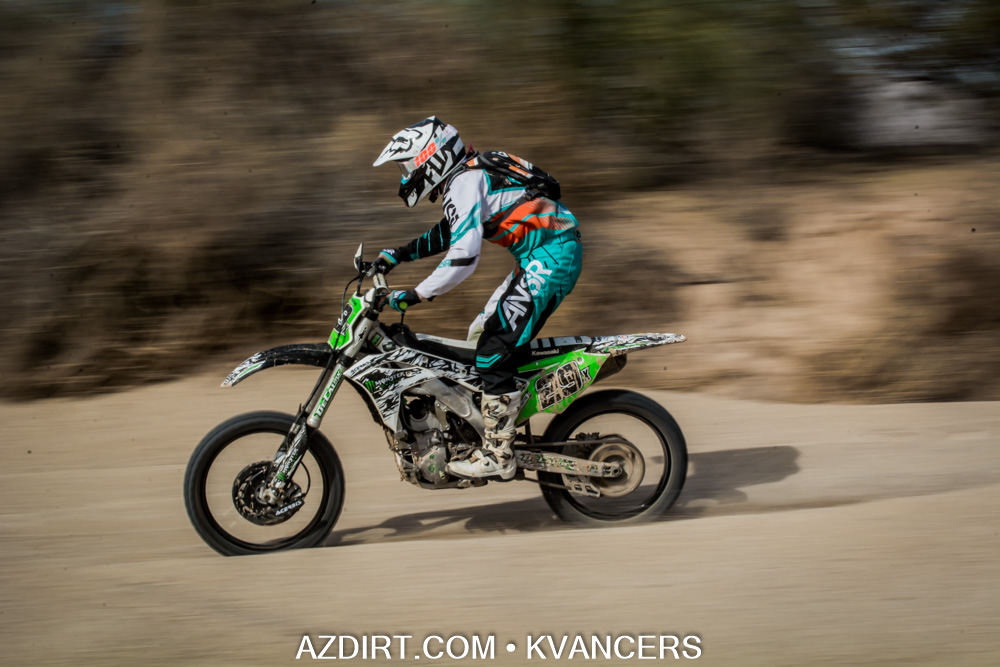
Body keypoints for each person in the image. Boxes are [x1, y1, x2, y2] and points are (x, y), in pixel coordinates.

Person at [371, 116, 582, 480]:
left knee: (492, 350)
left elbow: (464, 256)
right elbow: (452, 230)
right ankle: (483, 427)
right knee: (479, 335)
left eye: (407, 166)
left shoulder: (464, 183)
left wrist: (416, 294)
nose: (406, 176)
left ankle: (500, 453)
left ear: (431, 157)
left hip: (551, 257)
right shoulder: (468, 175)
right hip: (543, 254)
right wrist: (399, 254)